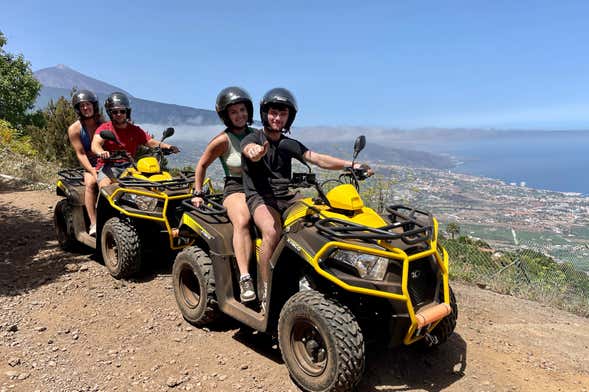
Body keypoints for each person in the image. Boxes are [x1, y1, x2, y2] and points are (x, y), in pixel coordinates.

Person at [241, 87, 373, 307]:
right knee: (272, 232)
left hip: (287, 196)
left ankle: (313, 281)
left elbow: (318, 158)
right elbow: (249, 149)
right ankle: (264, 291)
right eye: (274, 113)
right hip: (260, 197)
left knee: (317, 223)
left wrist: (352, 165)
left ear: (289, 117)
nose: (277, 118)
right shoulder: (252, 137)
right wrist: (255, 152)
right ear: (265, 113)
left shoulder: (287, 143)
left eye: (283, 114)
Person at [191, 87, 257, 302]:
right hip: (235, 188)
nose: (240, 115)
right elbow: (202, 164)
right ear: (226, 116)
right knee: (243, 219)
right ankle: (245, 277)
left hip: (258, 187)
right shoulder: (223, 140)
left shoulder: (257, 135)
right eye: (234, 112)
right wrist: (198, 192)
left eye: (242, 110)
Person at [91, 92, 179, 189]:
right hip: (109, 166)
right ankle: (102, 204)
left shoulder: (135, 130)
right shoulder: (105, 128)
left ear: (127, 112)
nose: (119, 114)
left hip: (130, 166)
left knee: (149, 186)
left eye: (122, 111)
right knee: (105, 187)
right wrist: (101, 152)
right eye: (115, 112)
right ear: (110, 113)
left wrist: (168, 146)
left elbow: (150, 142)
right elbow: (95, 144)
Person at [68, 90, 103, 236]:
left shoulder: (103, 124)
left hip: (106, 161)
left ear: (93, 106)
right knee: (90, 184)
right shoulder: (75, 129)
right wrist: (92, 170)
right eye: (82, 106)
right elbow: (80, 153)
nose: (85, 108)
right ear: (78, 109)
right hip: (90, 163)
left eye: (88, 104)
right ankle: (94, 223)